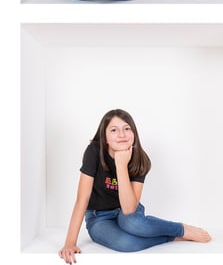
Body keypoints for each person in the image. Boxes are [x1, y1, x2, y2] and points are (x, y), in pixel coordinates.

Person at [57, 109, 211, 262]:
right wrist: (70, 243)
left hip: (128, 212)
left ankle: (181, 229)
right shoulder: (94, 151)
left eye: (127, 128)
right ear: (105, 138)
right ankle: (171, 236)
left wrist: (121, 165)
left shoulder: (140, 159)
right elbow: (82, 199)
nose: (122, 134)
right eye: (114, 130)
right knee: (126, 243)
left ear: (134, 133)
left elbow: (129, 208)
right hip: (99, 218)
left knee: (133, 223)